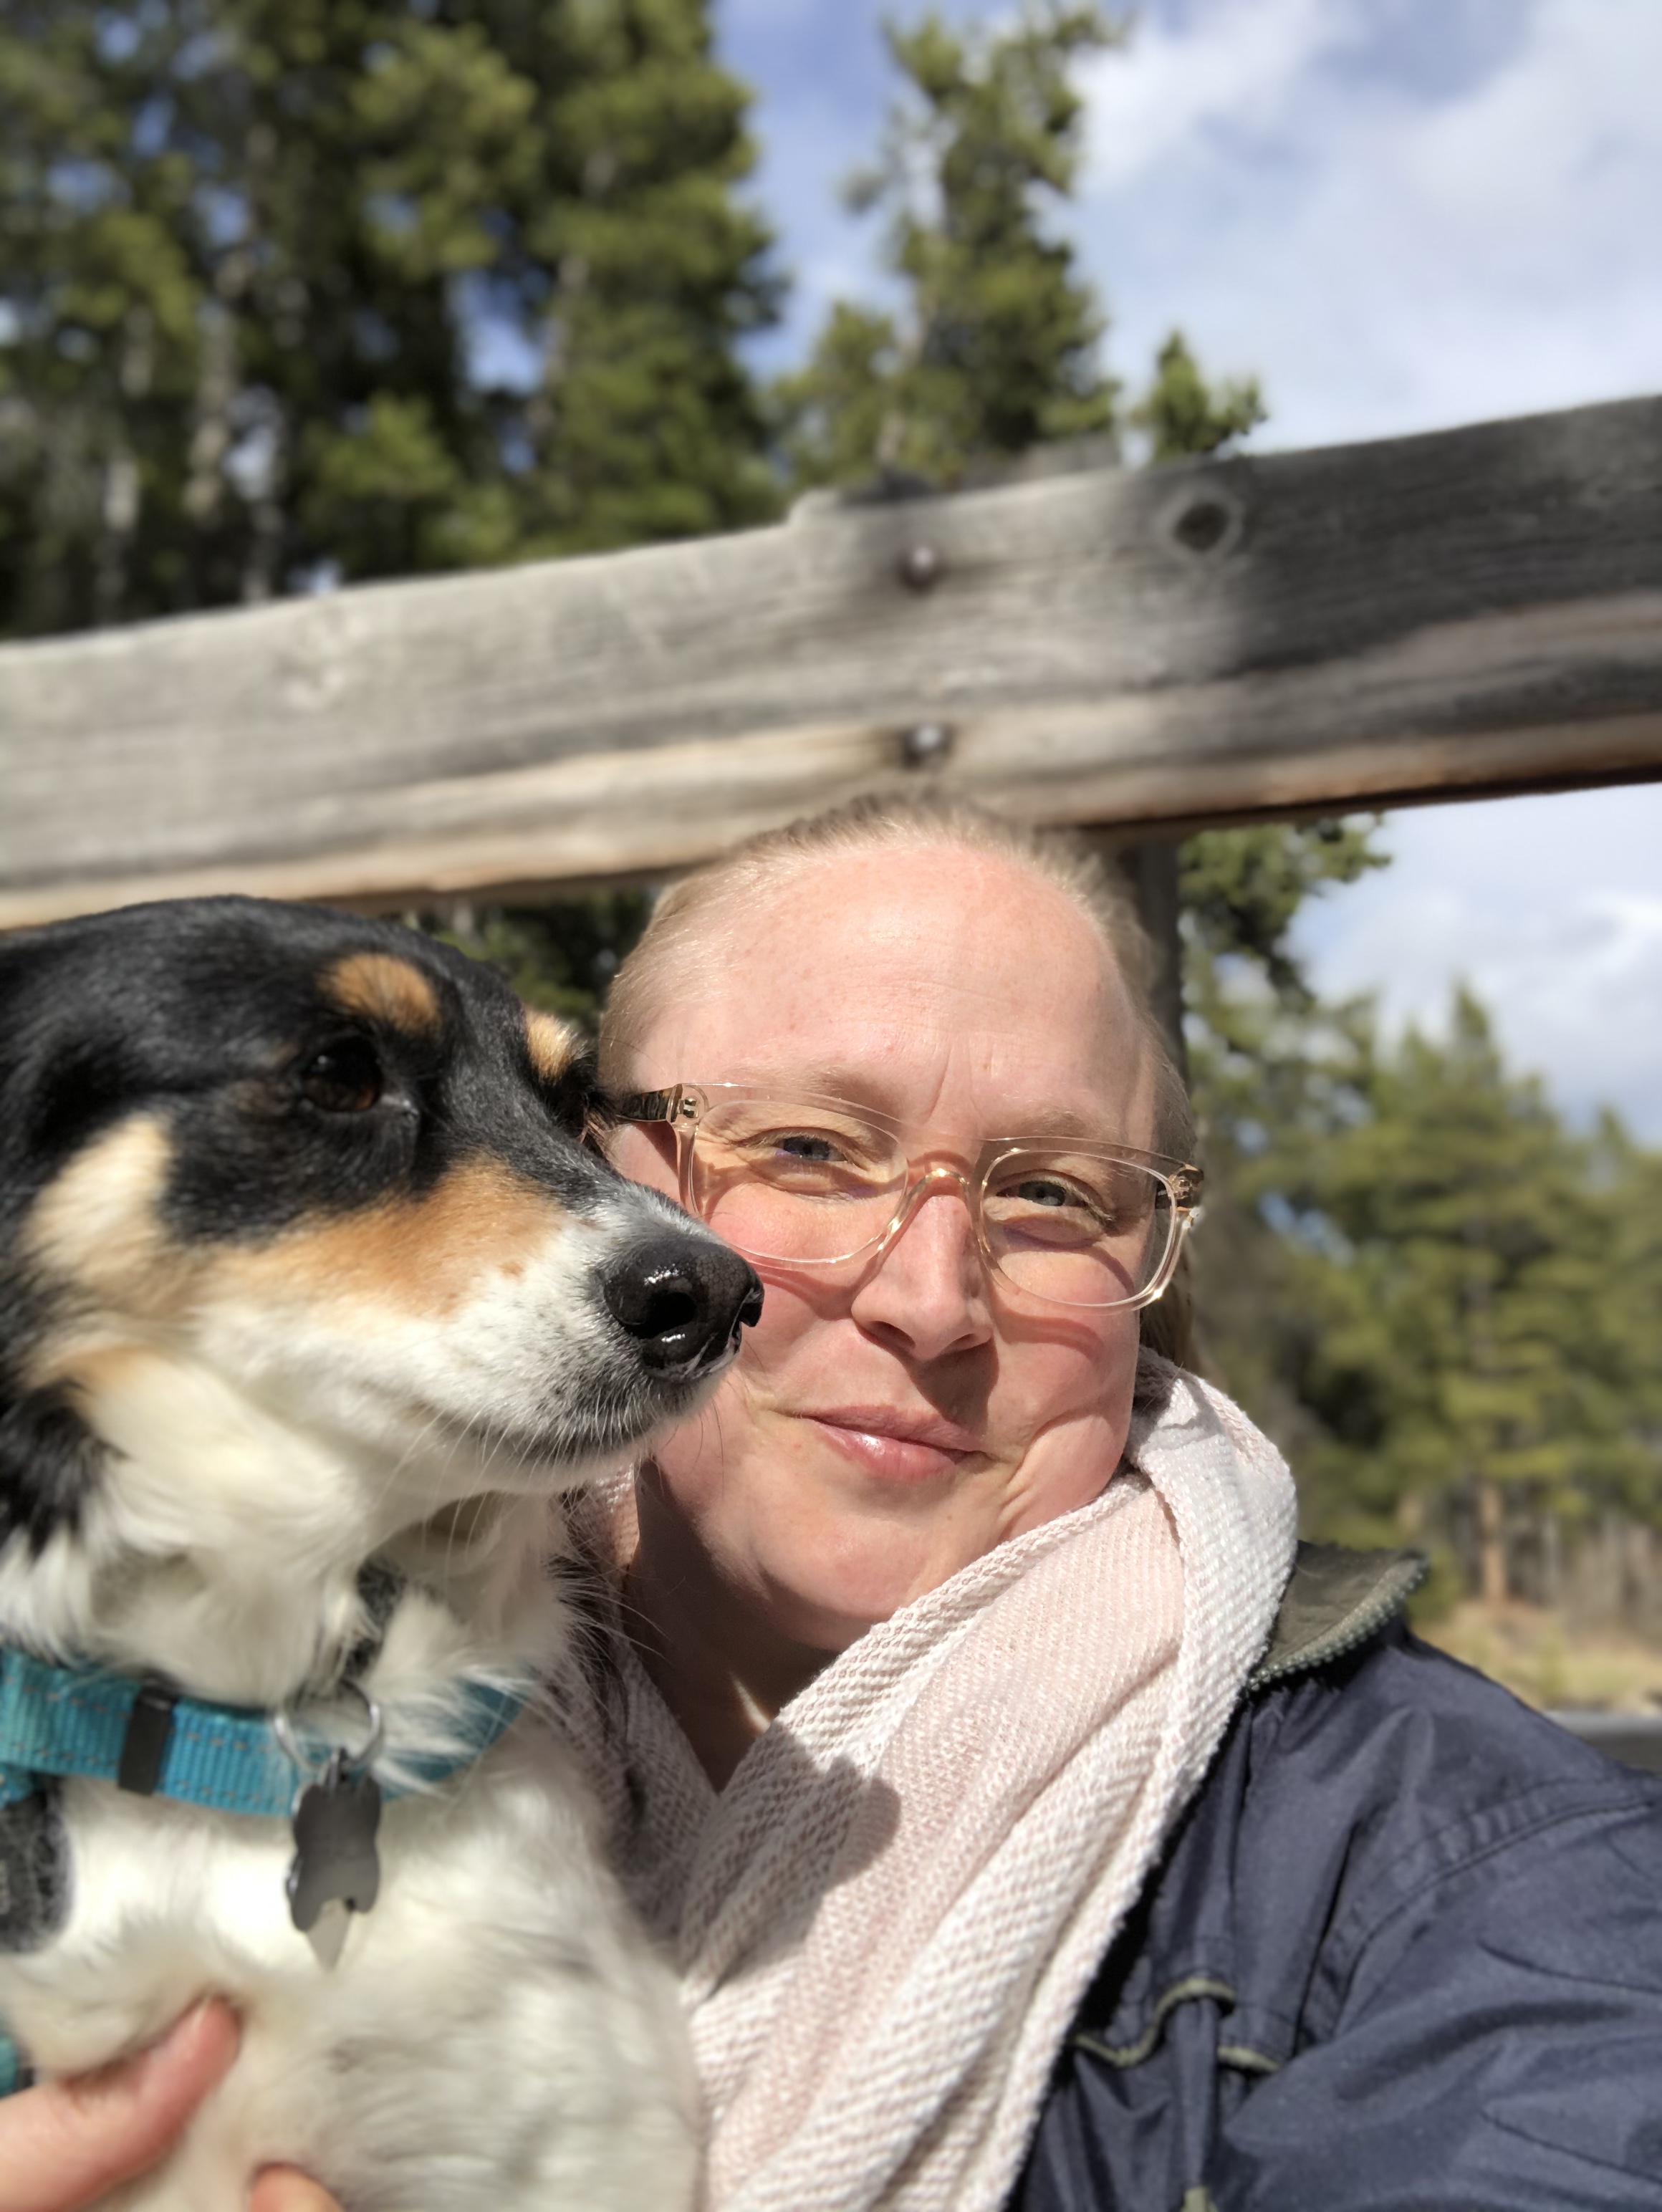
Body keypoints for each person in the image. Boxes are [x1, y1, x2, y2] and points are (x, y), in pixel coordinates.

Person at [7, 797, 1662, 2212]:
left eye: (1051, 1191)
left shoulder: (1467, 1884)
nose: (931, 1297)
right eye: (805, 1147)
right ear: (614, 1180)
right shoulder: (161, 1693)